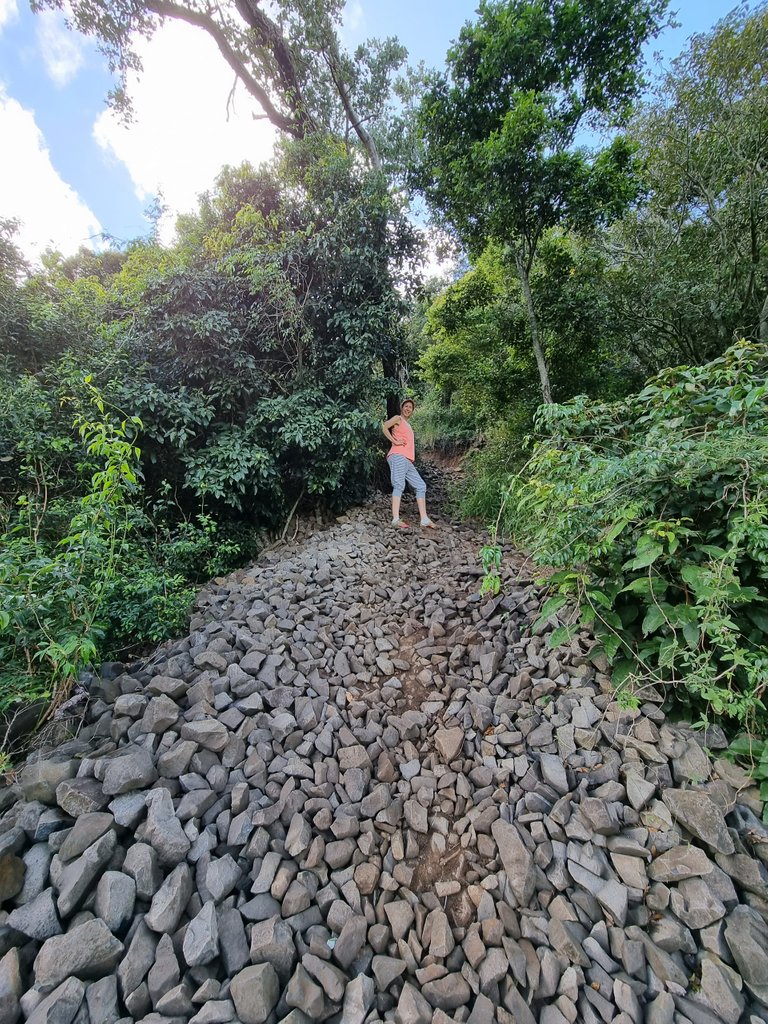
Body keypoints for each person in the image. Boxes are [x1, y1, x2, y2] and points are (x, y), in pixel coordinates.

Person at [382, 398, 435, 530]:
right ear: (402, 408)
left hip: (407, 460)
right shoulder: (398, 419)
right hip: (398, 455)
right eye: (406, 406)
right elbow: (384, 426)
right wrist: (394, 441)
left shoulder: (408, 425)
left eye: (410, 407)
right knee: (399, 485)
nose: (408, 409)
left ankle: (424, 519)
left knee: (421, 485)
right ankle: (395, 519)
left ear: (412, 411)